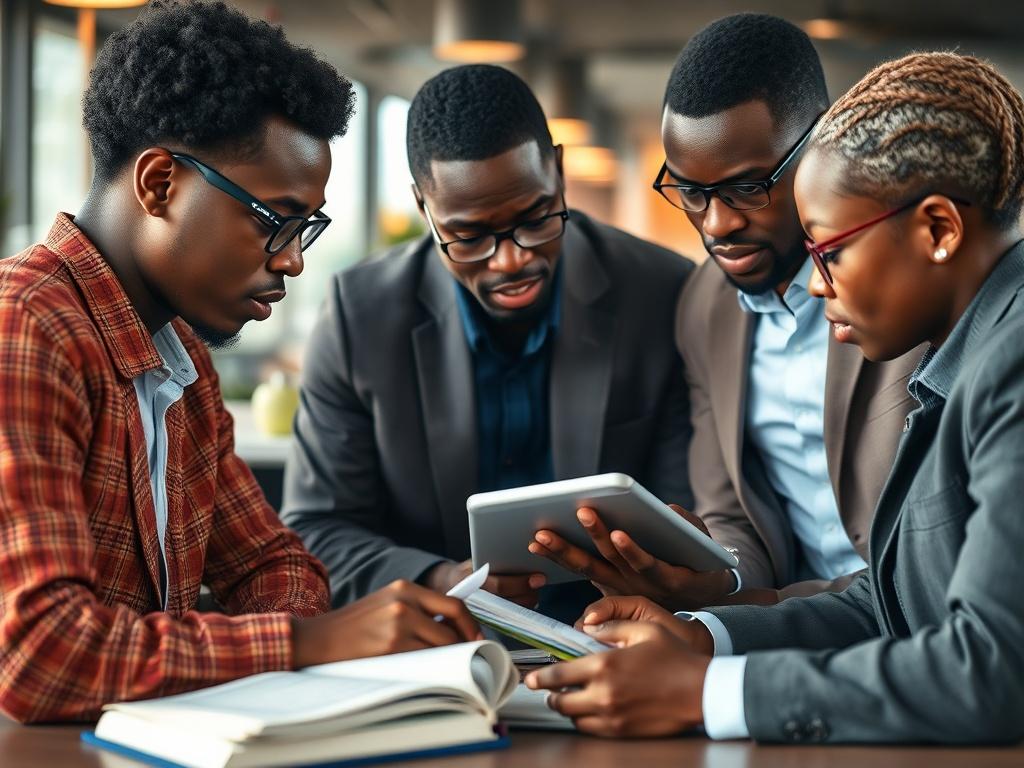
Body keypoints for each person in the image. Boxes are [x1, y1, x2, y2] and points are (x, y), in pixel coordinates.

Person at [0, 0, 478, 725]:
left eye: (305, 229)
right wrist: (305, 644)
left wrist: (303, 633)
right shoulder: (25, 327)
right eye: (272, 220)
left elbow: (274, 567)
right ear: (159, 183)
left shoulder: (180, 359)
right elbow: (43, 654)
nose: (290, 260)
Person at [527, 50, 1024, 745]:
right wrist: (703, 640)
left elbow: (993, 671)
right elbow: (891, 605)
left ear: (938, 229)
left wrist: (707, 694)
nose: (815, 286)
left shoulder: (1011, 360)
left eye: (831, 252)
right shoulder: (969, 350)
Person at [529, 13, 923, 609]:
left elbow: (926, 568)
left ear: (820, 144)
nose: (717, 226)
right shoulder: (704, 306)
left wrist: (746, 618)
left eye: (747, 188)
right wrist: (715, 576)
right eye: (690, 192)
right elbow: (734, 516)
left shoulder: (912, 286)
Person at [281, 64, 694, 619]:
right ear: (424, 209)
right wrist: (447, 580)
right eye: (470, 236)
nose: (512, 259)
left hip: (624, 630)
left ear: (560, 172)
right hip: (439, 638)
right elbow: (317, 530)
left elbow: (688, 514)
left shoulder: (660, 292)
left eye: (536, 217)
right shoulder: (362, 316)